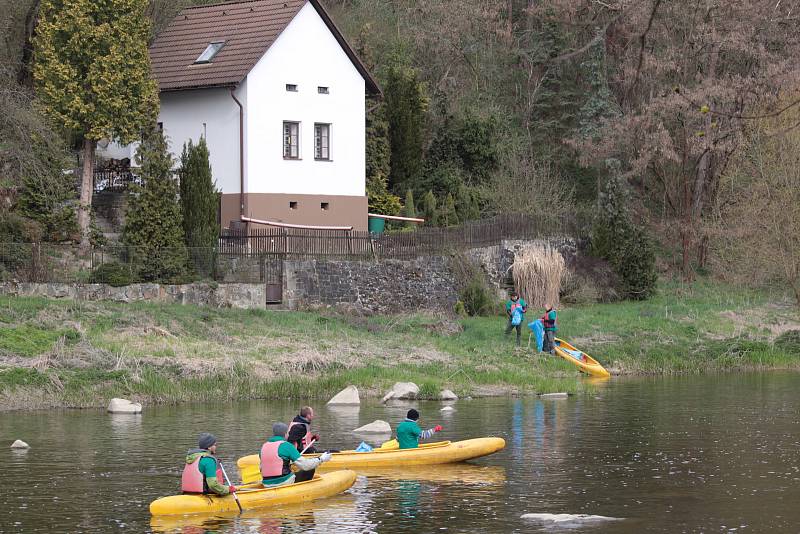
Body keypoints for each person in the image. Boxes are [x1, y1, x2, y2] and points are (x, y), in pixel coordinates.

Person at [260, 422, 332, 487]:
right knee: (310, 469)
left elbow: (264, 467)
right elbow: (306, 465)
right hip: (283, 482)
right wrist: (321, 459)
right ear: (285, 434)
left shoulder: (263, 447)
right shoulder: (286, 445)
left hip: (266, 484)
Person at [286, 406, 321, 481]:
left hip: (305, 450)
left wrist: (313, 438)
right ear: (308, 415)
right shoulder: (299, 426)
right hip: (300, 453)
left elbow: (302, 440)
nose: (313, 416)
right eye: (312, 414)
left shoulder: (301, 423)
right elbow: (290, 441)